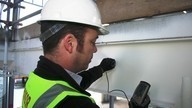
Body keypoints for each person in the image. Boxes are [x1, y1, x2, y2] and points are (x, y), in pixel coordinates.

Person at [22, 0, 116, 107]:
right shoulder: (78, 104)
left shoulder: (37, 79)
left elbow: (76, 82)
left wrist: (101, 68)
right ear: (70, 43)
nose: (95, 49)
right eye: (92, 42)